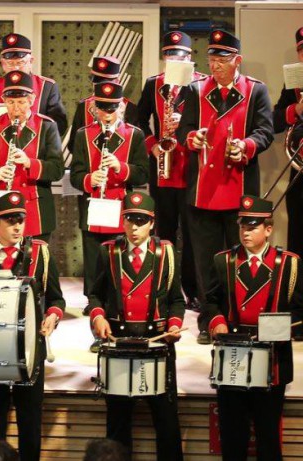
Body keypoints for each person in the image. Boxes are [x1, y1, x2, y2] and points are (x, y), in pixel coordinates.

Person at [176, 29, 274, 344]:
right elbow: (184, 131)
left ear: (237, 60)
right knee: (206, 261)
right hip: (202, 190)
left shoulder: (256, 90)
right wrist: (193, 138)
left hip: (239, 191)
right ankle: (210, 320)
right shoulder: (194, 90)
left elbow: (265, 132)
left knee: (239, 258)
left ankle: (239, 317)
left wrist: (246, 145)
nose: (216, 65)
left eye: (223, 58)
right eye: (212, 58)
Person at [200, 195, 303, 461]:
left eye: (253, 226)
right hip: (232, 358)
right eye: (242, 225)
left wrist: (277, 328)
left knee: (268, 438)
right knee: (233, 438)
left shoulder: (289, 263)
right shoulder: (223, 261)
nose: (245, 232)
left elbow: (301, 310)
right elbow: (210, 302)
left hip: (272, 360)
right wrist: (217, 321)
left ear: (269, 229)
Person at [0, 191, 65, 461]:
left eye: (20, 219)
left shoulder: (40, 253)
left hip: (30, 349)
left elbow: (56, 298)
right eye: (10, 221)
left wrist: (53, 316)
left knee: (30, 422)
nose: (18, 226)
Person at [88, 192, 184, 461]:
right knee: (117, 423)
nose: (134, 227)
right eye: (129, 220)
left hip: (157, 344)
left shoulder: (166, 252)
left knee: (166, 422)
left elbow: (176, 300)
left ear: (152, 224)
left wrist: (175, 325)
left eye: (140, 221)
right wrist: (98, 317)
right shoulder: (108, 251)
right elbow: (94, 294)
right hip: (120, 345)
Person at [70, 81, 148, 340]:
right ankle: (97, 329)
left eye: (111, 109)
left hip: (120, 209)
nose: (106, 115)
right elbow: (76, 174)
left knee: (118, 270)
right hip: (94, 208)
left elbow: (142, 173)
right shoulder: (83, 134)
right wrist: (88, 180)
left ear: (122, 107)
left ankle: (121, 325)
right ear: (94, 108)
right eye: (102, 109)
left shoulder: (134, 134)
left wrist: (120, 167)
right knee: (93, 271)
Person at [136, 31, 205, 313]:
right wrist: (152, 144)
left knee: (192, 234)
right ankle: (164, 288)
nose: (175, 59)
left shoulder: (202, 84)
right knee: (163, 231)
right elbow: (139, 120)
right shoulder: (154, 84)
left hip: (191, 167)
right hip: (162, 168)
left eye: (181, 55)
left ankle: (193, 290)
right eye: (170, 54)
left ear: (190, 58)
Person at [0, 70, 64, 241]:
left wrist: (29, 163)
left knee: (34, 264)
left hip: (34, 211)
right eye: (10, 102)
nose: (16, 109)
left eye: (21, 102)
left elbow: (57, 169)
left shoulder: (47, 126)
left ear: (32, 100)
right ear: (4, 101)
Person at [0, 33, 67, 139]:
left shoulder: (47, 87)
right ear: (2, 64)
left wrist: (29, 124)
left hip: (36, 151)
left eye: (21, 62)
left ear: (31, 61)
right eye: (10, 63)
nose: (15, 68)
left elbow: (60, 127)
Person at [67, 56, 140, 157]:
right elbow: (73, 145)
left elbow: (136, 147)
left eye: (106, 82)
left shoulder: (129, 108)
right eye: (98, 82)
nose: (101, 86)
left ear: (117, 81)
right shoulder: (83, 107)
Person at [272, 27, 303, 259]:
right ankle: (297, 292)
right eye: (302, 51)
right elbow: (273, 121)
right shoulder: (294, 82)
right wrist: (297, 110)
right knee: (298, 235)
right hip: (300, 171)